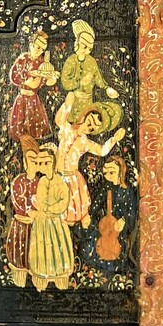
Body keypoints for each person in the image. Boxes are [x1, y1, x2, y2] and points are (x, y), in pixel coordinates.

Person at [55, 92, 126, 227]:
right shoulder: (67, 129)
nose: (89, 128)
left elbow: (102, 151)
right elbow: (59, 120)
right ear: (85, 116)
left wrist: (114, 139)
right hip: (58, 175)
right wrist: (68, 104)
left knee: (72, 210)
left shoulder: (85, 142)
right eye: (90, 122)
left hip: (72, 177)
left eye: (93, 128)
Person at [26, 145, 75, 291]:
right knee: (42, 248)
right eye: (40, 163)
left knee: (57, 246)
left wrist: (51, 209)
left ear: (53, 162)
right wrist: (43, 209)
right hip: (42, 221)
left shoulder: (60, 181)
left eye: (46, 163)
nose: (43, 166)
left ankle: (59, 277)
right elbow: (40, 199)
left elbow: (64, 200)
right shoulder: (42, 181)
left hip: (55, 221)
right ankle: (42, 277)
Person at [60, 19, 122, 130]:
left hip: (87, 101)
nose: (86, 51)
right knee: (71, 126)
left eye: (89, 49)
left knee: (85, 123)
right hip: (73, 101)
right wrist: (78, 85)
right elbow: (65, 82)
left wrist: (106, 88)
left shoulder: (91, 61)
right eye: (84, 47)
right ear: (77, 43)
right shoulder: (71, 61)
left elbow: (98, 77)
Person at [80, 157, 137, 277]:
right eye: (105, 173)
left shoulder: (128, 191)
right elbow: (97, 203)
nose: (108, 176)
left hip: (119, 229)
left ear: (121, 171)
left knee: (120, 245)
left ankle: (118, 272)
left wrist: (124, 220)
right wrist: (89, 215)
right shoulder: (106, 188)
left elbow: (132, 212)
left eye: (112, 172)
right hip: (105, 226)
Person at [8, 30, 58, 142]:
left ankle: (34, 144)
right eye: (37, 47)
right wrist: (29, 76)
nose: (39, 51)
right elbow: (14, 76)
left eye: (42, 49)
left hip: (34, 99)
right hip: (22, 98)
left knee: (34, 125)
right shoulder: (23, 59)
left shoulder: (42, 63)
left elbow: (45, 82)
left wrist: (51, 78)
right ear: (31, 44)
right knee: (20, 124)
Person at [5, 134, 41, 287]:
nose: (34, 164)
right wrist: (28, 210)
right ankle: (19, 285)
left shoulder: (40, 181)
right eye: (31, 160)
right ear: (25, 161)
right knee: (20, 254)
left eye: (37, 161)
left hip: (36, 224)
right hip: (22, 224)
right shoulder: (19, 180)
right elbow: (17, 199)